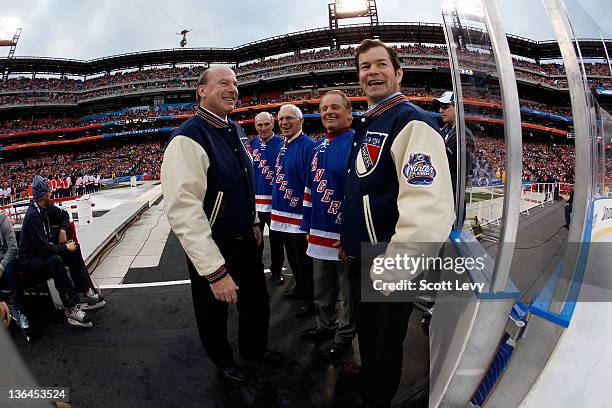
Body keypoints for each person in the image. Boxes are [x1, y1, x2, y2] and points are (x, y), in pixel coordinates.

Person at [339, 39, 455, 408]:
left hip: (386, 262)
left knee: (384, 342)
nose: (372, 72)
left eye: (380, 65)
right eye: (364, 67)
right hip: (364, 256)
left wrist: (393, 269)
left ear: (399, 73)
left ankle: (379, 397)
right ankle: (372, 377)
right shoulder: (373, 120)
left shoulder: (412, 122)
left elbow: (429, 211)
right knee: (371, 338)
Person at [161, 66, 282, 387]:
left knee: (256, 302)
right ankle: (223, 361)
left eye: (236, 84)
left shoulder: (236, 130)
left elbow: (244, 182)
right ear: (202, 90)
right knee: (213, 310)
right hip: (213, 243)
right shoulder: (188, 138)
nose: (233, 89)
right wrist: (214, 271)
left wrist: (253, 219)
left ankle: (254, 351)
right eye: (224, 83)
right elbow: (183, 211)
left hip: (245, 238)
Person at [299, 90, 356, 359]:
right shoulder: (318, 147)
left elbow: (359, 197)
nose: (328, 113)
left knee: (348, 293)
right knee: (322, 289)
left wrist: (351, 236)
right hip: (319, 234)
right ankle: (325, 326)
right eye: (323, 109)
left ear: (349, 113)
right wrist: (307, 227)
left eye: (335, 107)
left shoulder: (357, 144)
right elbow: (309, 192)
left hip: (344, 237)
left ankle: (344, 336)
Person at [19, 176, 105, 328]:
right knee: (56, 260)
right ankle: (71, 307)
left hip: (42, 253)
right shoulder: (32, 216)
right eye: (49, 193)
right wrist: (64, 247)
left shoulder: (46, 208)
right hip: (30, 261)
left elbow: (64, 215)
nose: (51, 195)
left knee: (74, 249)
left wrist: (63, 229)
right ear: (44, 195)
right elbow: (45, 250)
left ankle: (84, 290)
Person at [270, 104, 316, 317]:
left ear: (301, 121)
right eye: (281, 119)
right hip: (283, 213)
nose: (284, 123)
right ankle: (299, 286)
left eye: (289, 118)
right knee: (292, 257)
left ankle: (311, 299)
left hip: (299, 214)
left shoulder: (309, 146)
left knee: (304, 261)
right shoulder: (283, 145)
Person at [249, 111, 285, 285]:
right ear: (255, 126)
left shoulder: (281, 143)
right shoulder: (251, 145)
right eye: (259, 125)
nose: (263, 128)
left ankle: (276, 271)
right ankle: (255, 271)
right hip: (255, 204)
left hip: (275, 203)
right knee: (255, 241)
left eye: (266, 124)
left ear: (273, 124)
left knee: (277, 241)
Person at [433, 90, 475, 209]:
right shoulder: (446, 130)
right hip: (441, 197)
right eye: (440, 107)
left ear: (457, 108)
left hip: (452, 201)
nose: (441, 111)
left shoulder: (464, 136)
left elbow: (458, 172)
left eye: (445, 107)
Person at [0, 209, 29, 329]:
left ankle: (21, 311)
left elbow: (13, 247)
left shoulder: (3, 220)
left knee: (10, 272)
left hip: (8, 257)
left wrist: (1, 266)